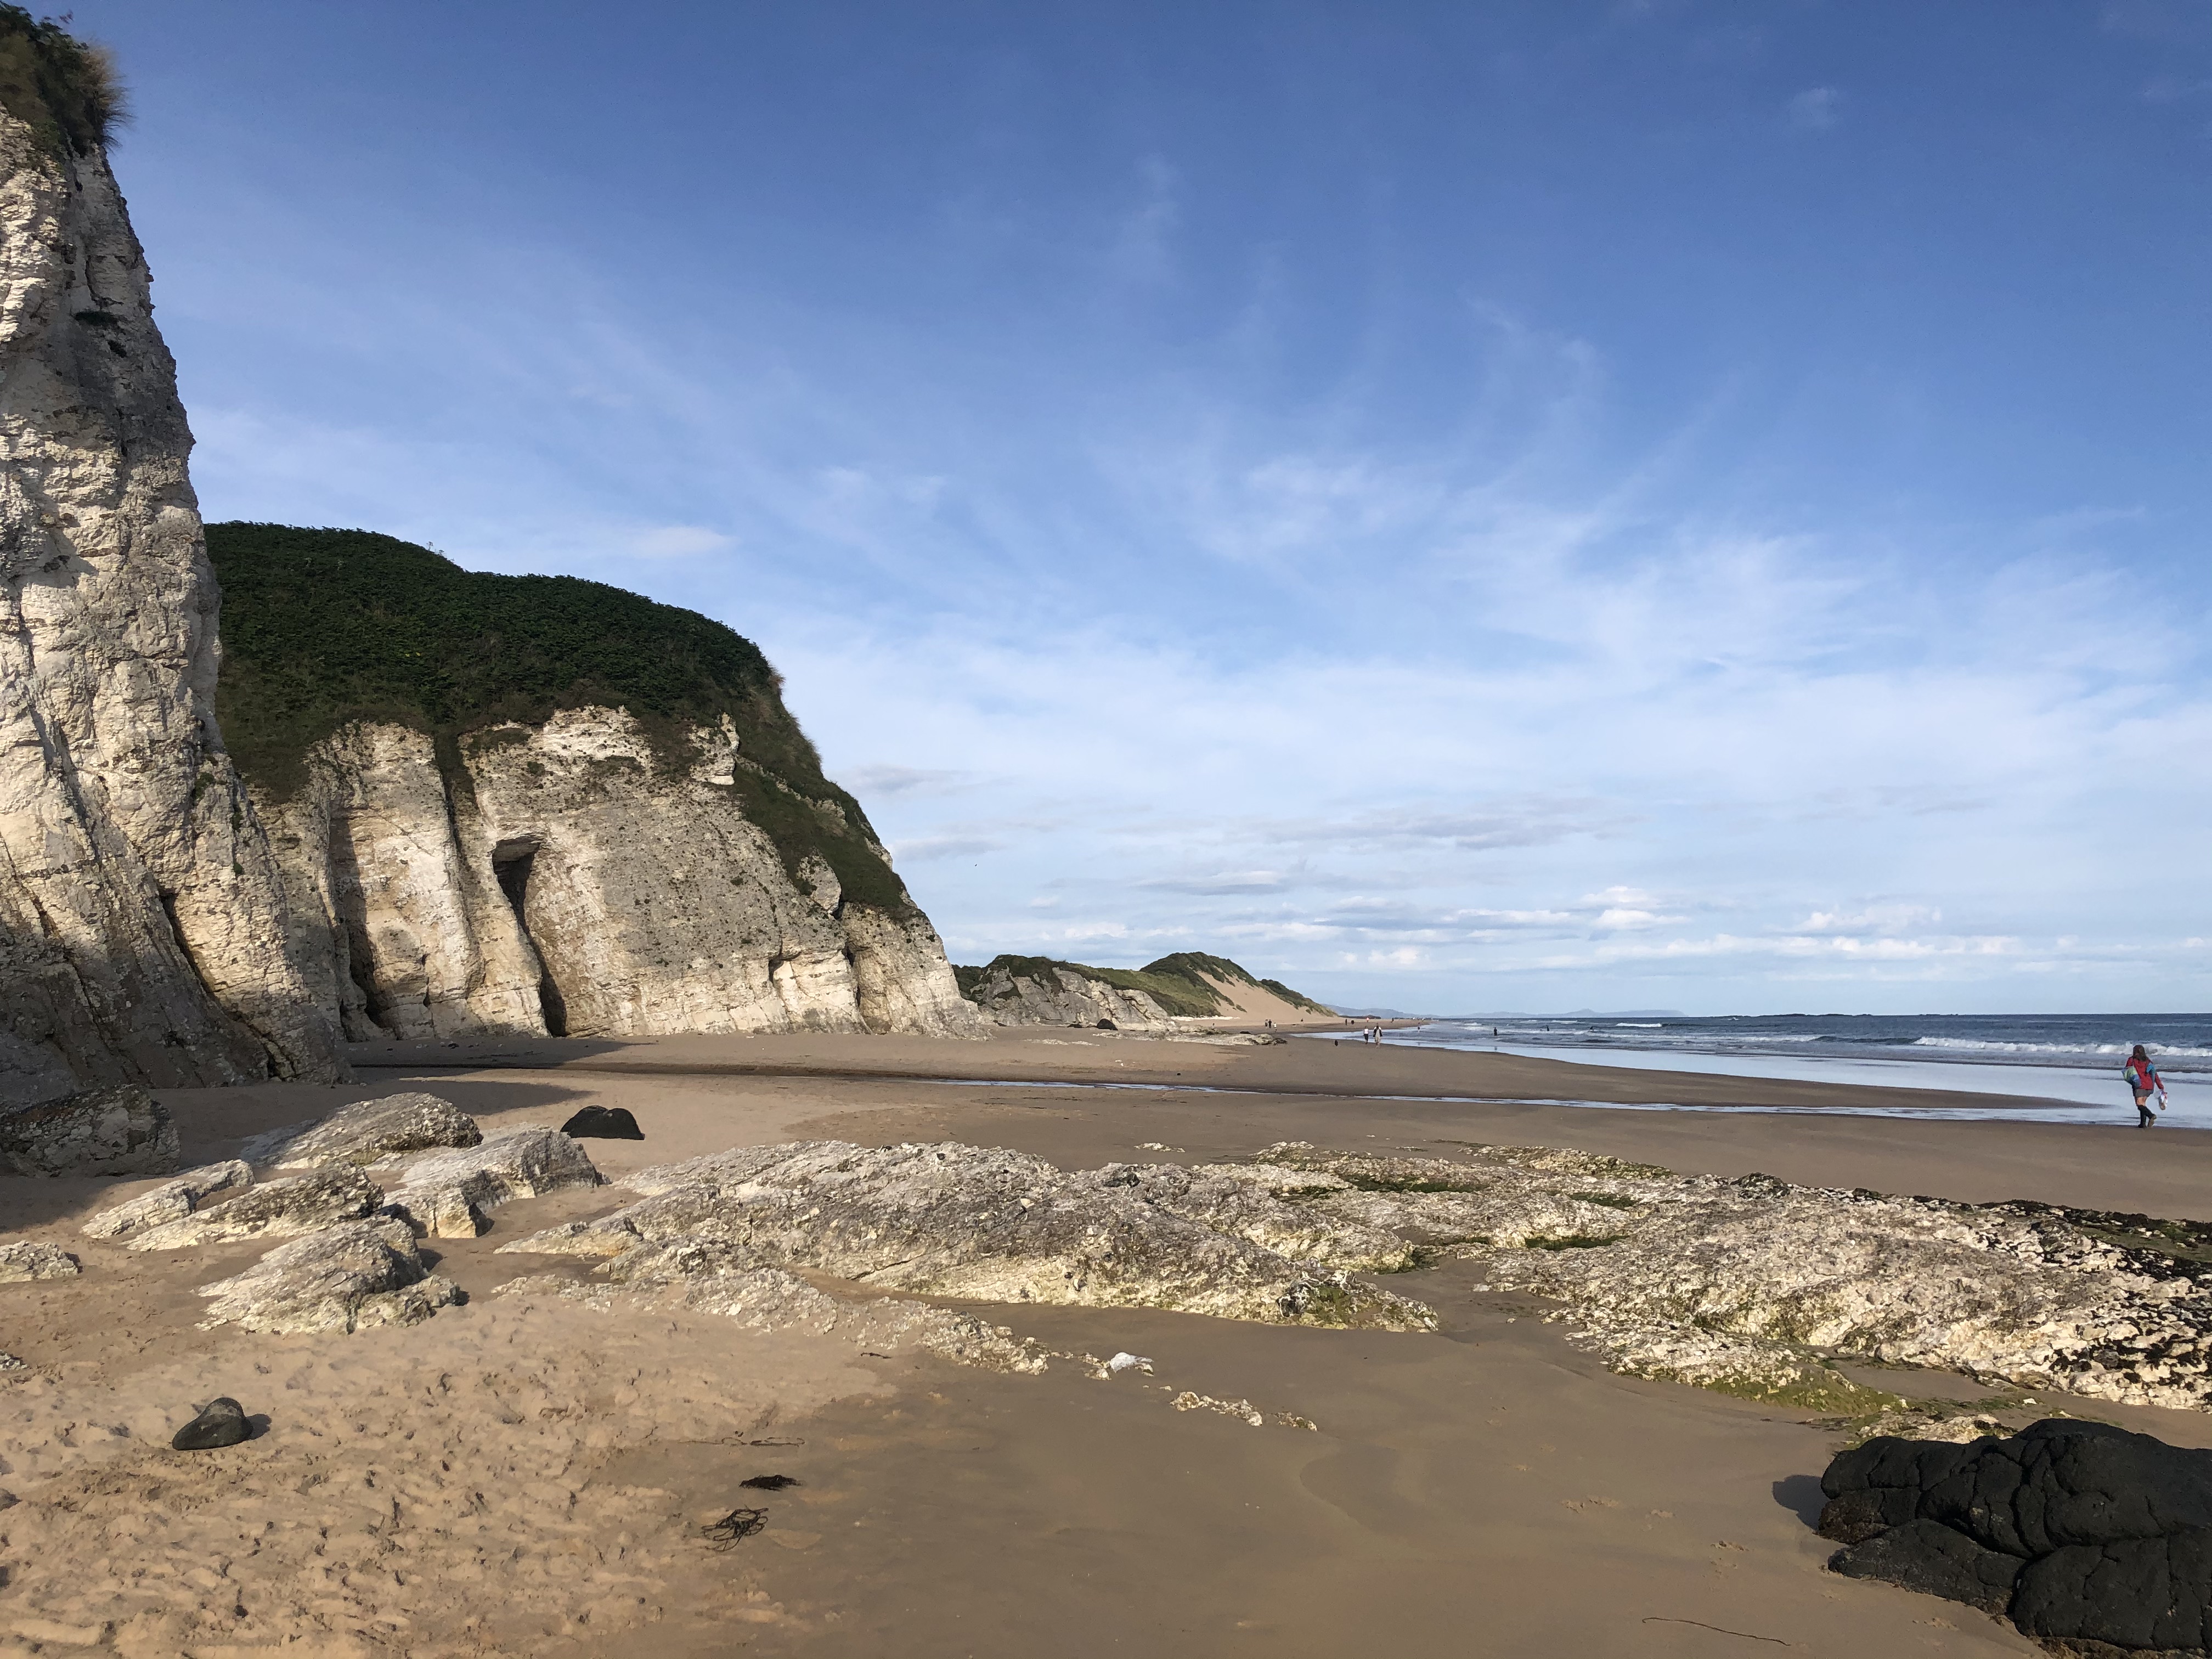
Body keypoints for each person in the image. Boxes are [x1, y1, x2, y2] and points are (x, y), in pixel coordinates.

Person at [2124, 1045, 2168, 1128]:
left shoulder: (2132, 1060)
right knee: (2143, 1104)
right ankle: (2142, 1124)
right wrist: (2160, 1086)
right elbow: (2155, 1075)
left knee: (2139, 1104)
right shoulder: (2148, 1061)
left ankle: (2151, 1116)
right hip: (2149, 1085)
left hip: (2139, 1084)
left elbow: (2127, 1071)